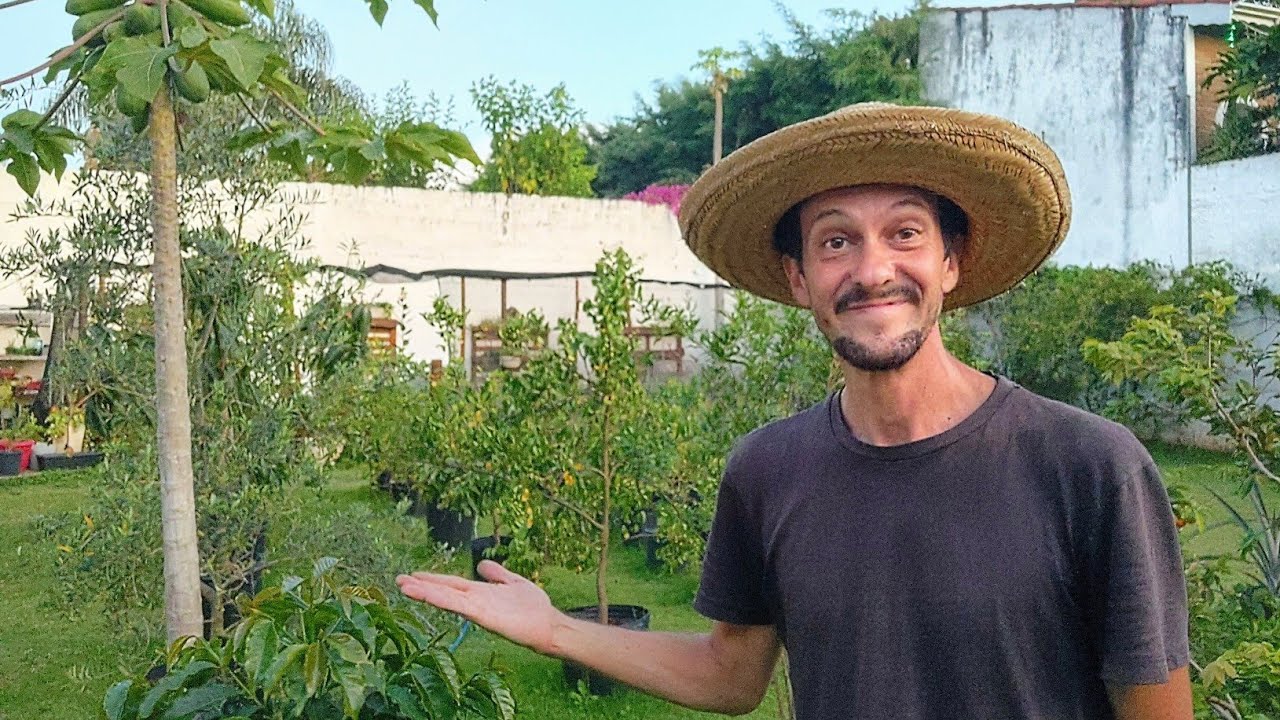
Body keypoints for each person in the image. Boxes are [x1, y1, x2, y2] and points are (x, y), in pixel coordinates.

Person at [398, 103, 1192, 719]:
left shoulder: (1088, 467)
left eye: (905, 233)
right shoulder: (767, 470)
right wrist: (557, 630)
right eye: (836, 241)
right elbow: (732, 673)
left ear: (952, 261)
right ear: (798, 280)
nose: (873, 269)